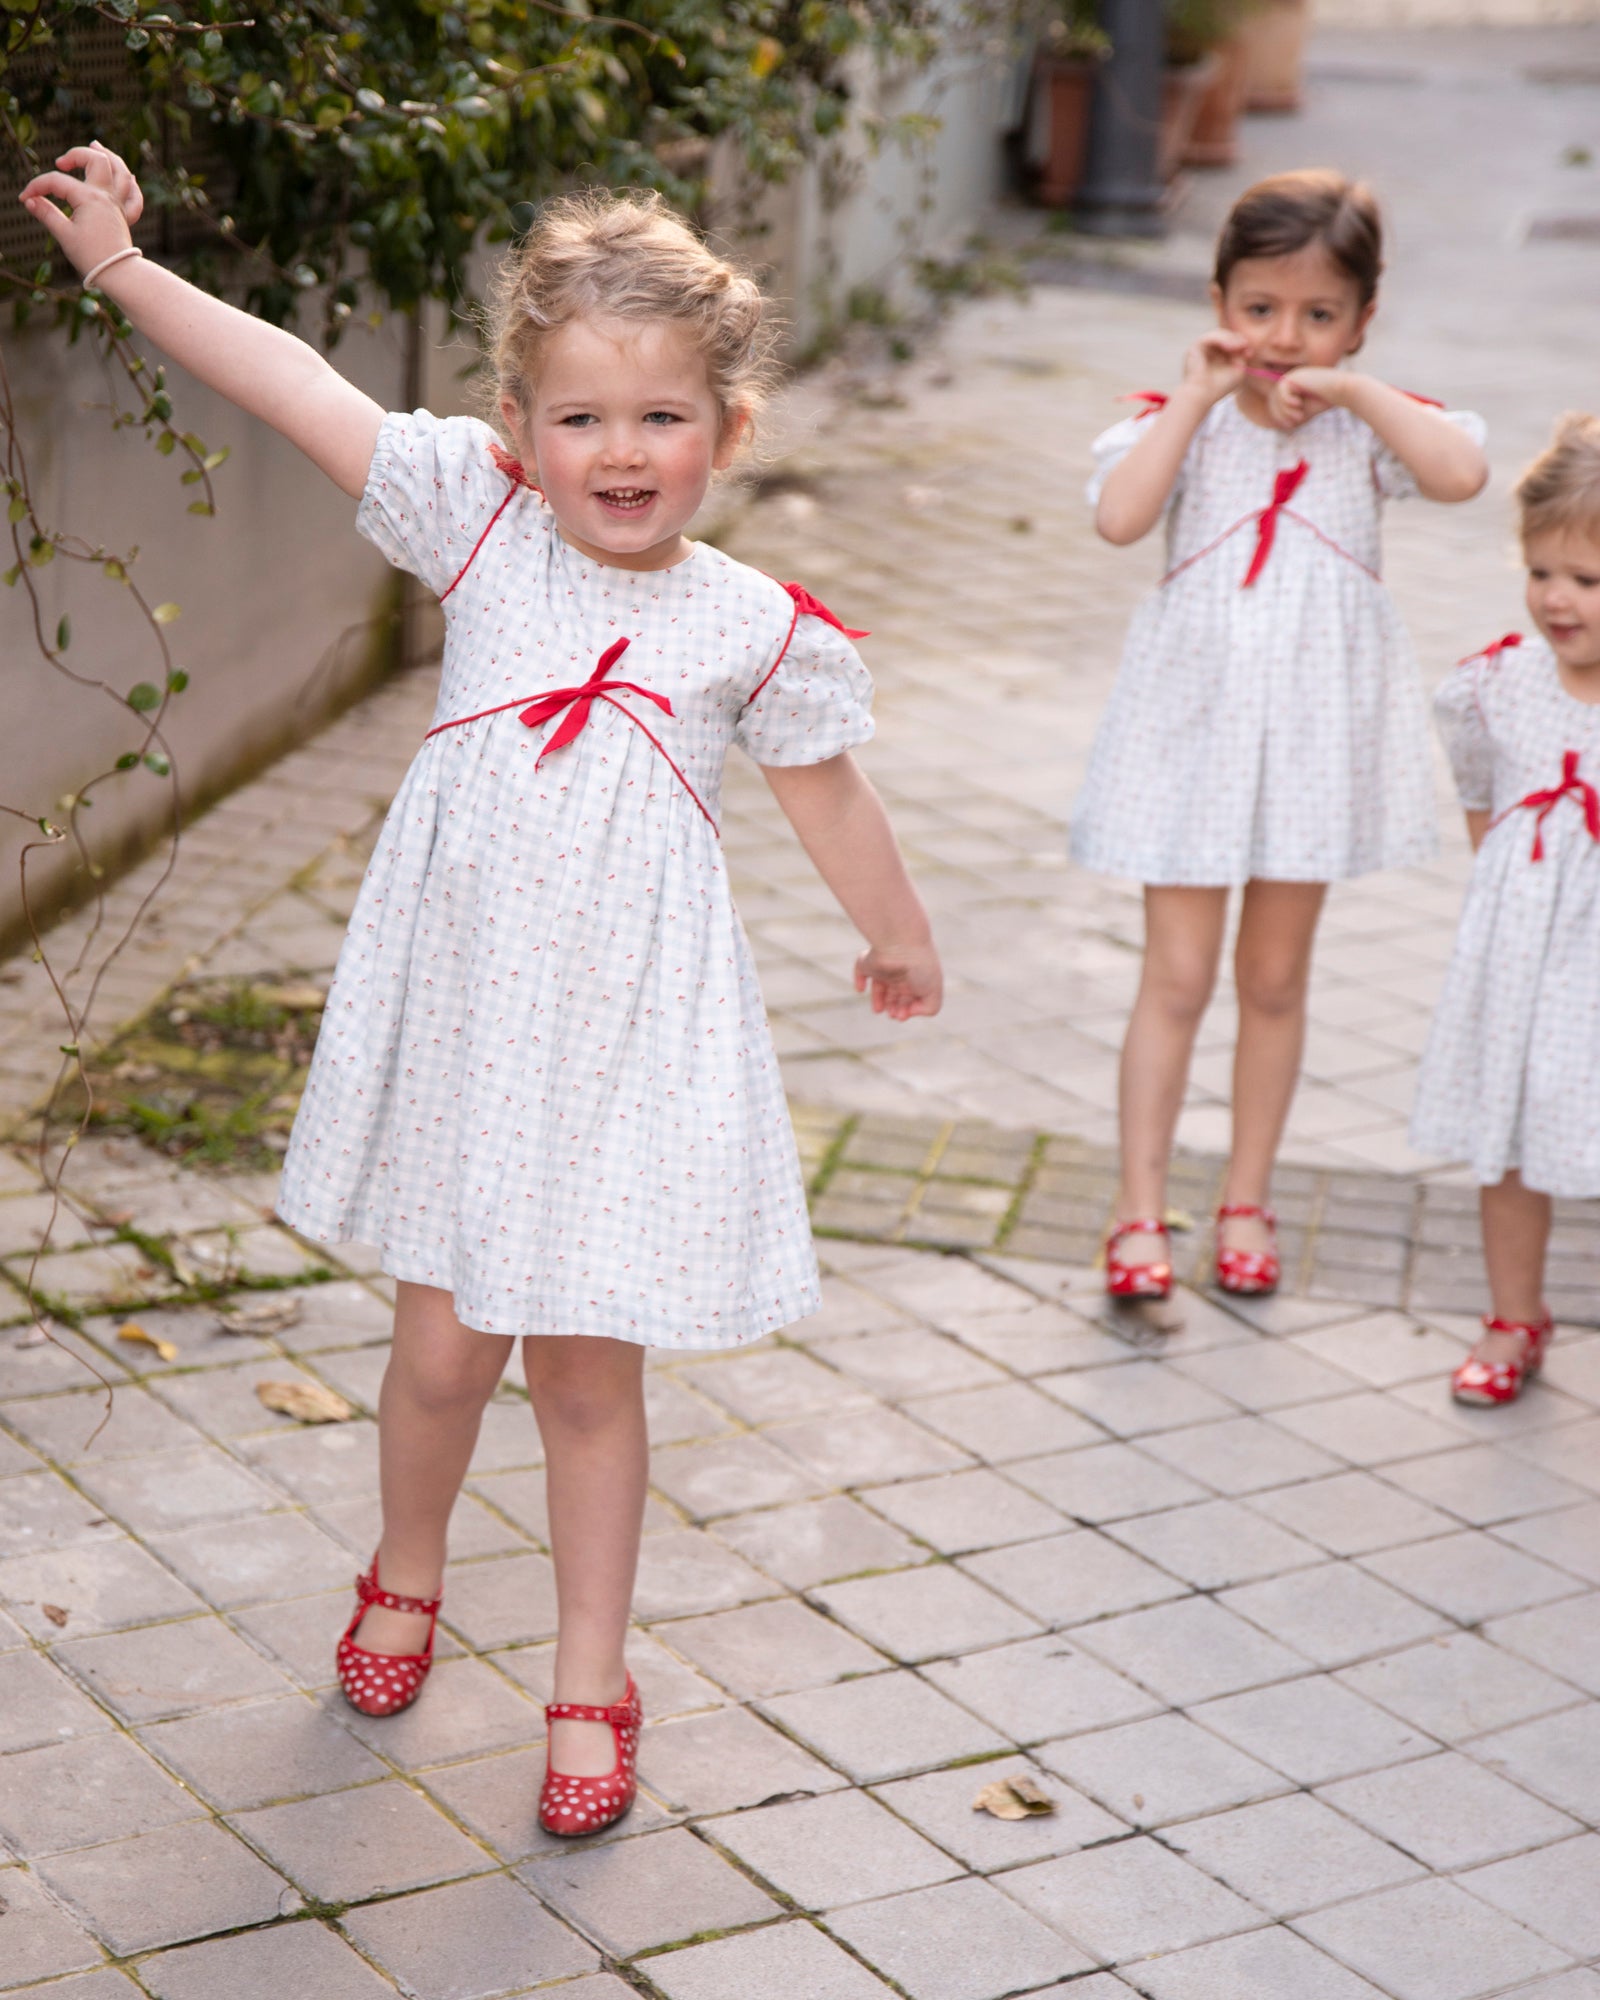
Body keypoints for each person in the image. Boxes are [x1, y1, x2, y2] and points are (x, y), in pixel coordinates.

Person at [20, 144, 941, 1833]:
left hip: (620, 1053)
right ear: (518, 424)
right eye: (581, 418)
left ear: (728, 432)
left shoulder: (757, 626)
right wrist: (122, 270)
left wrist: (896, 933)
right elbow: (293, 379)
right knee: (443, 1358)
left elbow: (828, 791)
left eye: (662, 417)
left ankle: (590, 1674)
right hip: (468, 1034)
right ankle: (408, 1564)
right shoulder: (479, 523)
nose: (620, 453)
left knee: (590, 1376)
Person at [1071, 169, 1487, 1303]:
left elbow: (1461, 470)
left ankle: (1246, 1197)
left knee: (1270, 977)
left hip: (1308, 749)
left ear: (1359, 319)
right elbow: (1118, 519)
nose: (1284, 337)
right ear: (1218, 300)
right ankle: (1137, 1209)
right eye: (1259, 308)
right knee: (1177, 976)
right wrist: (1196, 398)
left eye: (1317, 315)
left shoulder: (1367, 435)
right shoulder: (1181, 427)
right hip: (1190, 742)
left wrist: (1354, 393)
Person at [1410, 415, 1600, 1403]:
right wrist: (1512, 892)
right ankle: (1513, 1312)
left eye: (1587, 581)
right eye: (1541, 572)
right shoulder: (1496, 683)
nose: (1556, 599)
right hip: (1525, 958)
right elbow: (1480, 785)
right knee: (1513, 1137)